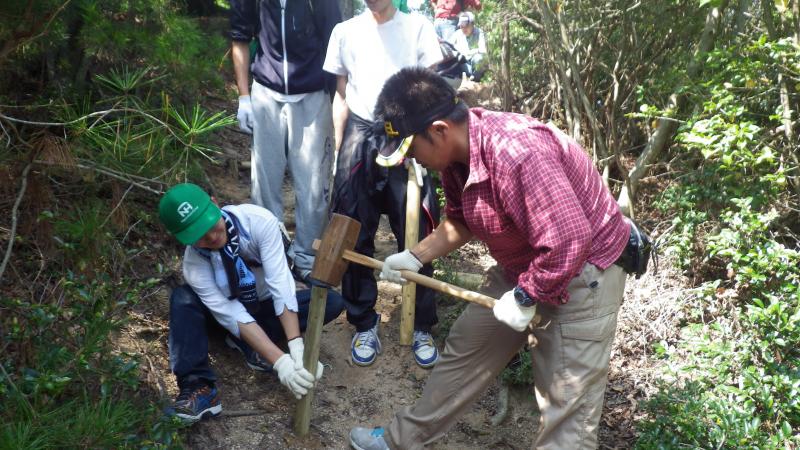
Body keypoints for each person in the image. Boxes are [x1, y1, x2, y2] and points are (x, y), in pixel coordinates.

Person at [349, 67, 640, 450]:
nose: (410, 161)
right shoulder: (456, 158)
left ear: (439, 130)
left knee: (566, 407)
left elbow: (569, 240)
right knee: (467, 348)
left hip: (584, 274)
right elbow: (461, 220)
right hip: (526, 267)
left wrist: (525, 297)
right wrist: (415, 257)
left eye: (411, 149)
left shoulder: (519, 153)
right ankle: (400, 441)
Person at [158, 183, 344, 424]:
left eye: (211, 225)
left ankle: (251, 345)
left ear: (215, 203)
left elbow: (281, 284)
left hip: (264, 306)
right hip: (223, 317)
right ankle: (199, 388)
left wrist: (296, 347)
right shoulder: (195, 265)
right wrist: (281, 362)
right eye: (199, 236)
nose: (212, 237)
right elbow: (231, 313)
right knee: (182, 298)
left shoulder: (257, 221)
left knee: (330, 302)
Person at [323, 0, 444, 369]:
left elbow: (432, 91)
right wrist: (340, 153)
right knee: (353, 228)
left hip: (408, 132)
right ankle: (363, 319)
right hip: (361, 132)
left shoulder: (418, 28)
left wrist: (426, 142)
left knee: (419, 231)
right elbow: (341, 96)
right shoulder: (345, 32)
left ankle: (421, 323)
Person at [229, 0, 341, 283]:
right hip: (266, 91)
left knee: (314, 187)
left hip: (313, 93)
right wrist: (244, 97)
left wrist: (338, 102)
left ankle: (307, 258)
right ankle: (269, 254)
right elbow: (240, 39)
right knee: (264, 184)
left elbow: (336, 44)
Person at [448, 11, 487, 81]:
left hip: (475, 63)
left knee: (479, 58)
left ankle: (475, 79)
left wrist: (469, 52)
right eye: (462, 26)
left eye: (466, 26)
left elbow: (483, 50)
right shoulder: (457, 33)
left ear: (472, 24)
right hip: (463, 63)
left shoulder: (479, 32)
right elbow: (448, 46)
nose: (464, 28)